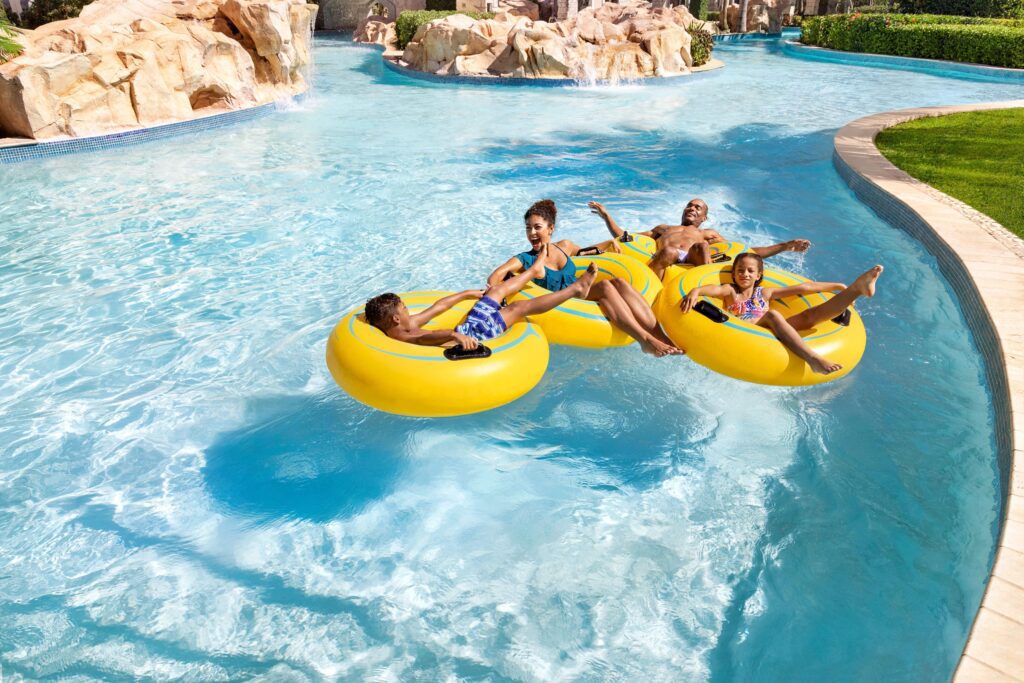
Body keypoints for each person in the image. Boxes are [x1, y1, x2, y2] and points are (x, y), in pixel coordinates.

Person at [486, 199, 683, 357]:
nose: (532, 233)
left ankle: (661, 336)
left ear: (550, 229)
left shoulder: (564, 246)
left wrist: (608, 244)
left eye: (537, 227)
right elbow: (496, 275)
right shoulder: (526, 259)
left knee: (619, 282)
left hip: (580, 292)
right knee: (605, 287)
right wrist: (498, 295)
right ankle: (645, 341)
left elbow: (585, 252)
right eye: (528, 228)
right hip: (561, 301)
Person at [678, 252, 883, 375]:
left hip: (771, 332)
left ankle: (856, 288)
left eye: (750, 271)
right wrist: (696, 291)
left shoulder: (765, 293)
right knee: (774, 316)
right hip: (746, 334)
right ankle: (813, 359)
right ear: (733, 273)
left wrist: (838, 285)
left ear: (759, 275)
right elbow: (711, 289)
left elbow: (804, 288)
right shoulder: (730, 291)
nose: (744, 274)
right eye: (740, 270)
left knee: (809, 316)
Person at [365, 246, 598, 349]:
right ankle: (574, 291)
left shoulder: (409, 324)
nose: (408, 311)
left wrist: (466, 294)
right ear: (396, 319)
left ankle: (533, 271)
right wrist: (454, 335)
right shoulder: (406, 338)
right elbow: (427, 340)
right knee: (516, 308)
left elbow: (437, 307)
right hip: (473, 336)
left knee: (496, 290)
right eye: (404, 309)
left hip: (466, 327)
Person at [588, 199, 813, 280]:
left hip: (693, 260)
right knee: (667, 253)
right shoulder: (663, 228)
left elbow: (746, 253)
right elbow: (626, 237)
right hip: (667, 257)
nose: (692, 208)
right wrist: (606, 216)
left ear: (703, 217)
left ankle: (704, 285)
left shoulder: (708, 234)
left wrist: (785, 246)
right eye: (690, 205)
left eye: (698, 207)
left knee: (702, 246)